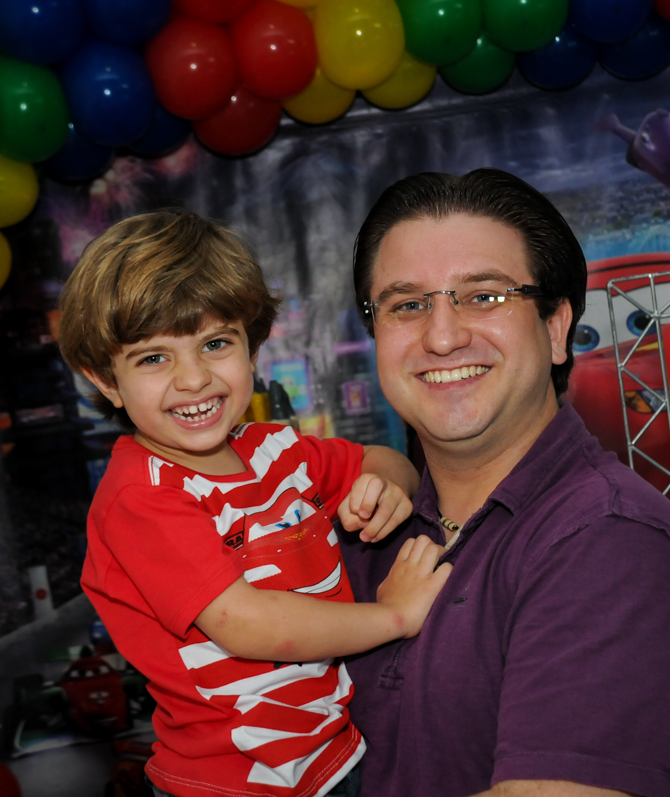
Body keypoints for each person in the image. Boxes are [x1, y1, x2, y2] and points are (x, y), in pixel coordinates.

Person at [340, 169, 670, 797]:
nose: (442, 336)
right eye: (407, 305)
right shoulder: (365, 524)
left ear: (554, 327)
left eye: (485, 296)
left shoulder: (607, 539)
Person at [56, 211, 452, 797]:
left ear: (252, 348)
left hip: (332, 751)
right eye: (153, 358)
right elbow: (245, 624)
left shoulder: (274, 450)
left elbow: (380, 457)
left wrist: (387, 486)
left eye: (215, 344)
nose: (193, 379)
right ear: (107, 381)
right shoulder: (141, 497)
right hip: (233, 781)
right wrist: (394, 617)